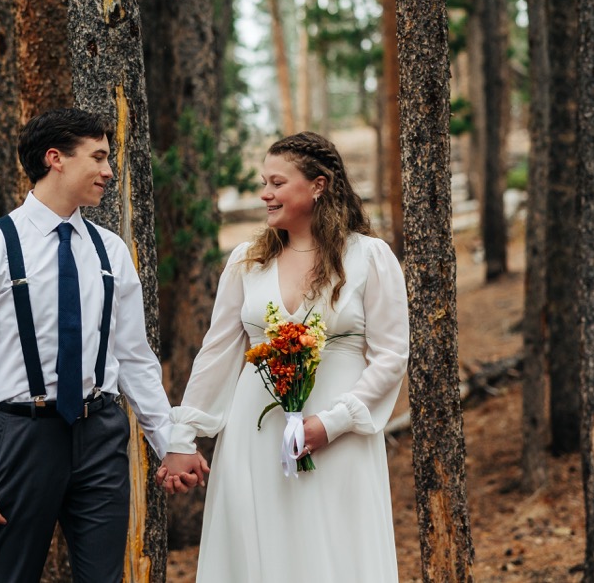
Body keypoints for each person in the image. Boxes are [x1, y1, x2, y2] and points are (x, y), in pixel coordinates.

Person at [0, 108, 196, 582]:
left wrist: (170, 442)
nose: (108, 171)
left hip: (101, 434)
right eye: (97, 157)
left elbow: (134, 358)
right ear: (55, 158)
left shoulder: (110, 250)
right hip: (24, 436)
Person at [158, 131, 410, 582]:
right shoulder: (246, 261)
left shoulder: (369, 257)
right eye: (263, 182)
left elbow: (391, 356)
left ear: (318, 185)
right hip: (256, 437)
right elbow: (217, 353)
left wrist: (330, 424)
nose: (264, 194)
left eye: (276, 182)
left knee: (334, 549)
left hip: (340, 438)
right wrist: (183, 437)